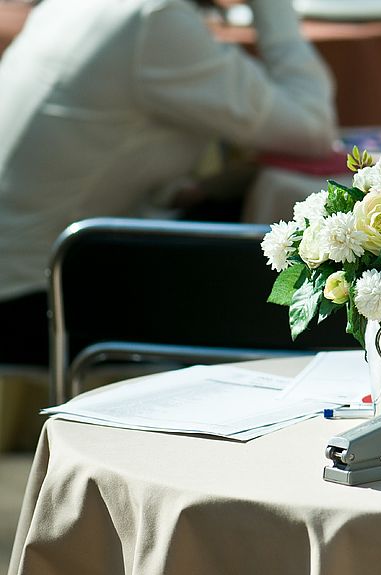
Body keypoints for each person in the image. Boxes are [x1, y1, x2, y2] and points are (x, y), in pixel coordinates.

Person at [0, 0, 337, 366]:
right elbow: (313, 128)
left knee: (238, 218)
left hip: (34, 275)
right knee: (293, 273)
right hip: (41, 300)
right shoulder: (154, 19)